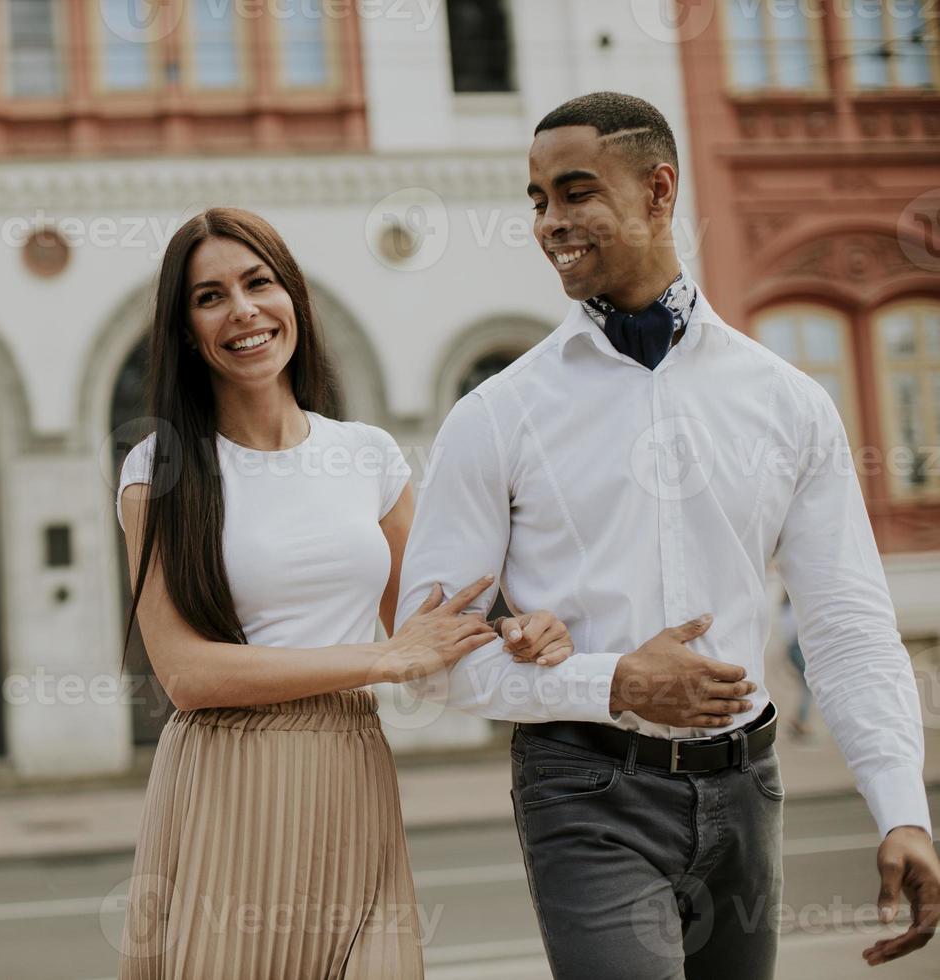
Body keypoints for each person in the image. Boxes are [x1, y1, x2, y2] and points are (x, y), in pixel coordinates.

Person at [393, 92, 938, 978]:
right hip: (583, 790)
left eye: (575, 193)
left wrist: (899, 808)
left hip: (747, 789)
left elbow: (846, 623)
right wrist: (612, 680)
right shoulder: (495, 417)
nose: (550, 224)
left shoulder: (786, 401)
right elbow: (433, 660)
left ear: (658, 190)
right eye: (536, 200)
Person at [113, 206, 563, 978]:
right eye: (209, 296)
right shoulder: (160, 468)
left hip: (350, 773)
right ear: (186, 329)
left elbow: (433, 634)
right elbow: (186, 674)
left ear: (294, 299)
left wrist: (527, 634)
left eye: (259, 282)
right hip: (228, 783)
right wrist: (381, 659)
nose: (243, 310)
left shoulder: (367, 455)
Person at [779, 592, 814, 737]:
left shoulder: (784, 610)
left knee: (805, 684)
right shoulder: (794, 609)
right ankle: (800, 721)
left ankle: (799, 720)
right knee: (808, 685)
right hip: (797, 648)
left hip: (792, 648)